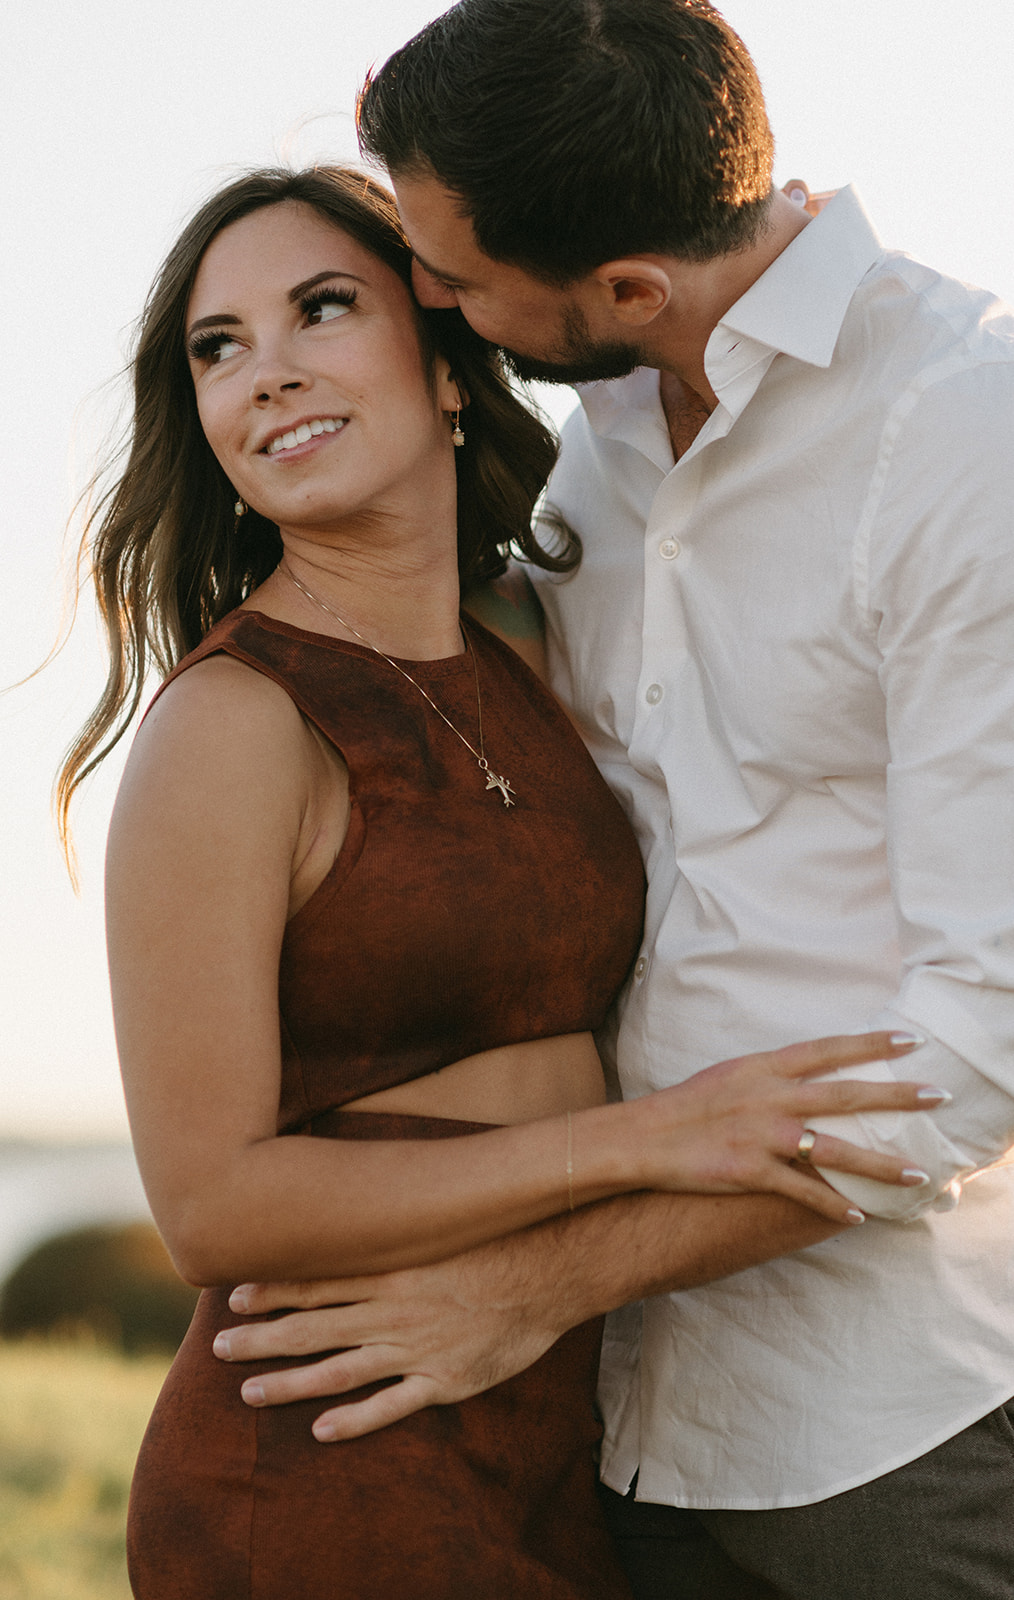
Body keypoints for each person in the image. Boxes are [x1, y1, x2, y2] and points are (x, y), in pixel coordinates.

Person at [207, 5, 1014, 1598]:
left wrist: (530, 1286)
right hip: (593, 1422)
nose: (426, 300)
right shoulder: (606, 442)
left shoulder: (963, 443)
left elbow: (984, 1051)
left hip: (882, 1432)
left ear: (629, 290)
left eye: (449, 276)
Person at [58, 163, 935, 1599]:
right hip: (329, 1457)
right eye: (218, 350)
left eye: (320, 311)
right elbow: (209, 1204)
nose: (265, 376)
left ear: (449, 365)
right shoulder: (232, 725)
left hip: (553, 1433)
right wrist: (646, 1143)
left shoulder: (533, 640)